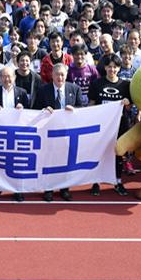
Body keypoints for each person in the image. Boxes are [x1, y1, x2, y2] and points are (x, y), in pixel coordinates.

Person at [33, 64, 85, 201]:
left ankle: (64, 188)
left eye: (62, 74)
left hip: (68, 132)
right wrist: (44, 110)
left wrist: (73, 110)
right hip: (49, 132)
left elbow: (82, 109)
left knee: (65, 161)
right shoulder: (43, 90)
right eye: (57, 74)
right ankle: (49, 189)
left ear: (66, 75)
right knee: (49, 161)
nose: (59, 77)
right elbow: (34, 110)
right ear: (52, 75)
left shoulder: (74, 89)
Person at [86, 54, 132, 196]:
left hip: (120, 126)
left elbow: (130, 108)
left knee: (118, 154)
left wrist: (127, 103)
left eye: (115, 67)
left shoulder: (126, 85)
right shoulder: (97, 84)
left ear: (119, 68)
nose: (112, 69)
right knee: (99, 154)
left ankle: (117, 181)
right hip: (101, 127)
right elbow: (92, 105)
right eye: (109, 66)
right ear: (105, 67)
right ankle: (96, 182)